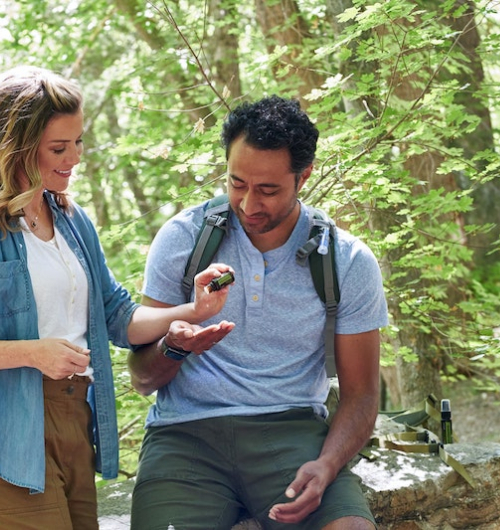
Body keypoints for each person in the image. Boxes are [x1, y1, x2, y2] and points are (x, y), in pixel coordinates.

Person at [0, 66, 231, 530]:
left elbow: (117, 317)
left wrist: (193, 309)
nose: (75, 157)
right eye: (59, 148)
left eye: (78, 142)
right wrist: (32, 353)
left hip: (75, 425)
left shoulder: (73, 221)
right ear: (16, 144)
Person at [128, 95, 388, 530]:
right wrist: (174, 347)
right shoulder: (182, 240)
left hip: (292, 431)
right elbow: (141, 379)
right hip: (185, 437)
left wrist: (327, 465)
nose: (248, 204)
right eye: (236, 183)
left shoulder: (346, 261)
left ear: (303, 176)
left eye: (268, 190)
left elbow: (361, 395)